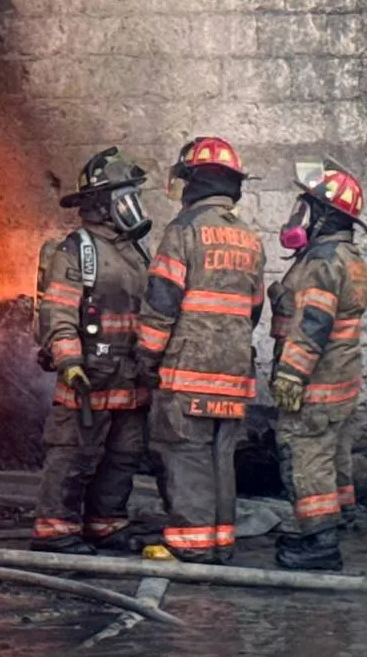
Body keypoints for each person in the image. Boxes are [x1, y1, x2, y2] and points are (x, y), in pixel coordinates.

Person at [136, 136, 264, 564]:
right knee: (220, 456)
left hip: (188, 370)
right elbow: (255, 307)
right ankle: (220, 541)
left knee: (184, 452)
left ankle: (189, 545)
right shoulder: (249, 239)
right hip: (234, 373)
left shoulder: (183, 233)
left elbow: (161, 303)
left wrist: (147, 359)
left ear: (193, 182)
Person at [30, 147, 154, 555]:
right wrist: (69, 362)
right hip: (88, 376)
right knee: (74, 454)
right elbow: (58, 311)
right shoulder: (76, 250)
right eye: (124, 197)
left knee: (123, 455)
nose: (133, 205)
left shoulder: (134, 251)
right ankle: (56, 530)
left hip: (129, 377)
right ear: (102, 203)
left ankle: (106, 525)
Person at [269, 158, 367, 571]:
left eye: (308, 206)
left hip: (316, 383)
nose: (300, 214)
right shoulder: (346, 256)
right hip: (340, 380)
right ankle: (338, 518)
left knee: (305, 453)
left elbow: (312, 324)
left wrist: (291, 374)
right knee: (333, 452)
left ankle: (319, 543)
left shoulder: (322, 262)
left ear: (325, 215)